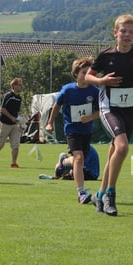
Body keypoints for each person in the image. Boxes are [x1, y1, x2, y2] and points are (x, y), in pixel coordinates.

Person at [85, 14, 133, 216]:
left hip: (129, 110)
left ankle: (99, 194)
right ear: (115, 33)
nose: (127, 35)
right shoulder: (106, 55)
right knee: (122, 147)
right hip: (109, 108)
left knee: (115, 153)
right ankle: (110, 195)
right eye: (123, 31)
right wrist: (102, 81)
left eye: (131, 32)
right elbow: (88, 76)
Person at [45, 57, 100, 204]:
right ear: (76, 74)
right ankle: (81, 192)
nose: (87, 75)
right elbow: (57, 105)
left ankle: (63, 162)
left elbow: (101, 111)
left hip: (87, 130)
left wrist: (90, 117)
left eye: (89, 73)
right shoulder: (68, 90)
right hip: (72, 129)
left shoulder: (94, 91)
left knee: (79, 159)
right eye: (83, 72)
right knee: (79, 158)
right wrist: (49, 123)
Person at [0, 78, 23, 168]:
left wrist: (20, 124)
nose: (21, 86)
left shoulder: (19, 98)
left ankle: (13, 163)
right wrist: (11, 118)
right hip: (4, 123)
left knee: (16, 145)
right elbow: (2, 109)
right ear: (14, 86)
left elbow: (17, 112)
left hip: (14, 125)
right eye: (19, 85)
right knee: (0, 145)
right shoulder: (8, 95)